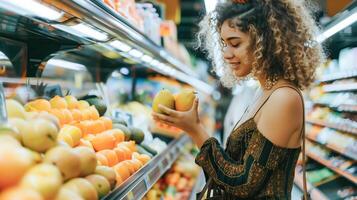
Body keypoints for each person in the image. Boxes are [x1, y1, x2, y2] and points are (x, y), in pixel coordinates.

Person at [152, 0, 324, 199]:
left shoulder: (283, 98)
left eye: (235, 43)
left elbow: (243, 184)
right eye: (224, 44)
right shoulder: (264, 91)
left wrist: (195, 129)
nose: (226, 54)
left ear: (265, 41)